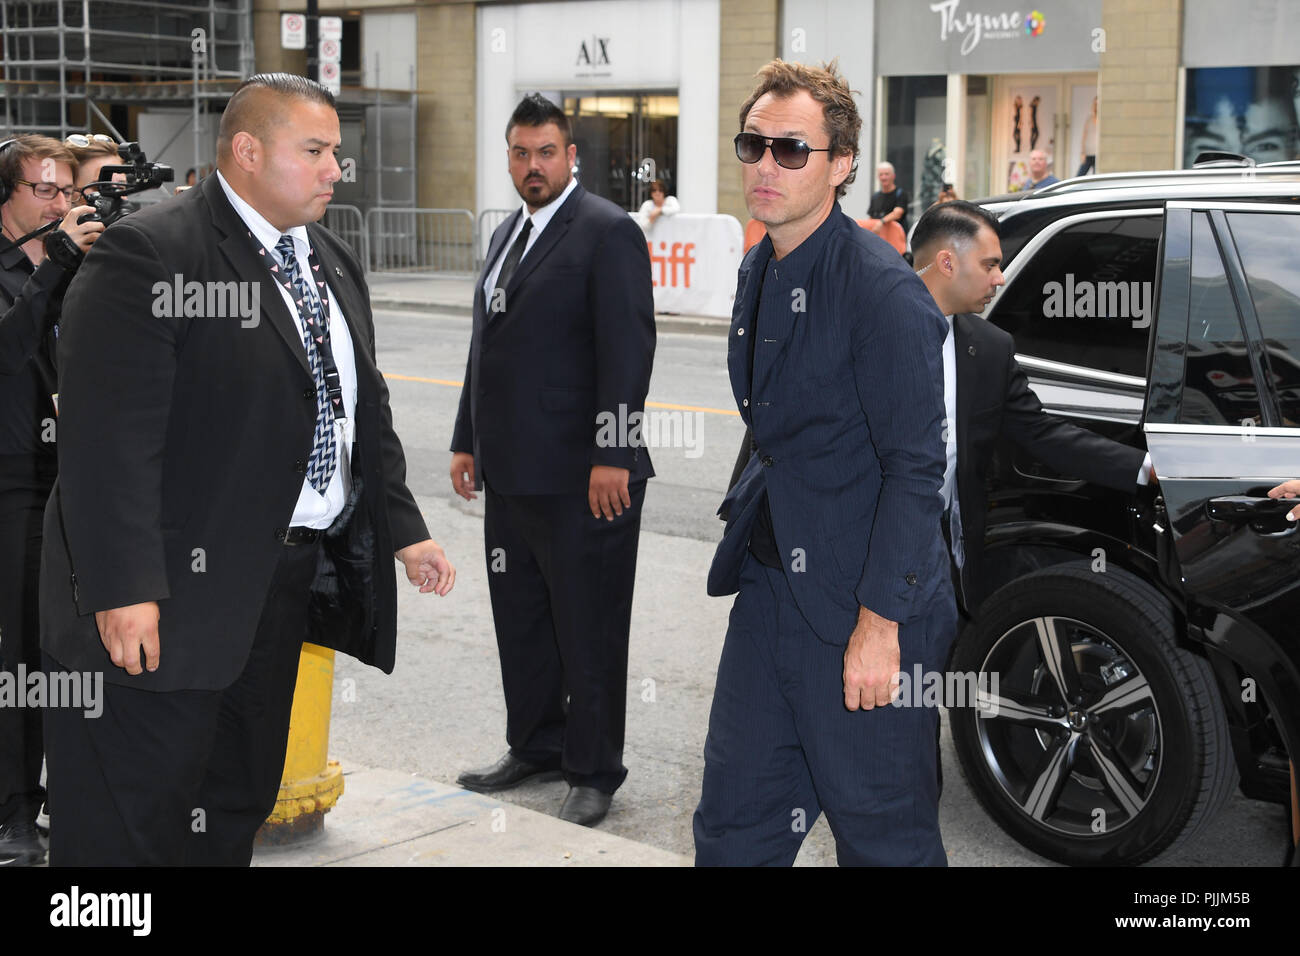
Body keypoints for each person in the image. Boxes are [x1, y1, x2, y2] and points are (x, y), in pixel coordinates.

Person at [40, 73, 455, 867]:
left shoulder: (330, 257)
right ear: (248, 150)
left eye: (337, 151)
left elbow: (356, 406)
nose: (338, 168)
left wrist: (403, 528)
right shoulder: (152, 251)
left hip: (274, 591)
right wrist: (123, 588)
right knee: (126, 828)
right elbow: (106, 441)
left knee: (231, 804)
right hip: (158, 604)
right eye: (316, 150)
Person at [694, 59, 952, 866]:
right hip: (771, 589)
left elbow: (918, 472)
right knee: (734, 826)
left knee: (883, 839)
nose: (766, 166)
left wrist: (881, 627)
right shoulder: (758, 264)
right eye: (753, 145)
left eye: (791, 150)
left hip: (865, 605)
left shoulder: (884, 293)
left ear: (841, 165)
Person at [450, 93, 655, 828]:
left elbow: (629, 353)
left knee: (589, 627)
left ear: (571, 157)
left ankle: (594, 769)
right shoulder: (509, 232)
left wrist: (615, 452)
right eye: (519, 152)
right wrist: (465, 438)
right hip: (511, 474)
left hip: (583, 480)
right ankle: (536, 743)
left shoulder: (607, 231)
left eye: (545, 152)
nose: (531, 165)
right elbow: (486, 347)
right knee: (525, 621)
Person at [908, 200, 1152, 612]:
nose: (1000, 279)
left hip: (941, 569)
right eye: (990, 265)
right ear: (947, 263)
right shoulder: (866, 332)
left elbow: (1043, 434)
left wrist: (1145, 468)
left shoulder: (989, 348)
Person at [0, 135, 102, 866]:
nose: (60, 204)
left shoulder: (76, 265)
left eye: (68, 190)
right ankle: (12, 809)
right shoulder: (27, 268)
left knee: (68, 651)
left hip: (79, 476)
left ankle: (68, 793)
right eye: (44, 189)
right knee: (16, 656)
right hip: (11, 482)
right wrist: (54, 268)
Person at [867, 160, 910, 234]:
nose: (884, 177)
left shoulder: (900, 194)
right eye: (881, 174)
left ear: (893, 176)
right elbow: (871, 219)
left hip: (897, 239)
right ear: (878, 177)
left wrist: (882, 222)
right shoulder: (875, 197)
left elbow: (897, 214)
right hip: (880, 239)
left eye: (887, 174)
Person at [1078, 96, 1098, 176]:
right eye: (1095, 104)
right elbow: (1084, 136)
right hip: (1088, 154)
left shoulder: (1104, 120)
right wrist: (1082, 152)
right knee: (1079, 176)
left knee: (1096, 178)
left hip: (1098, 155)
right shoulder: (1089, 119)